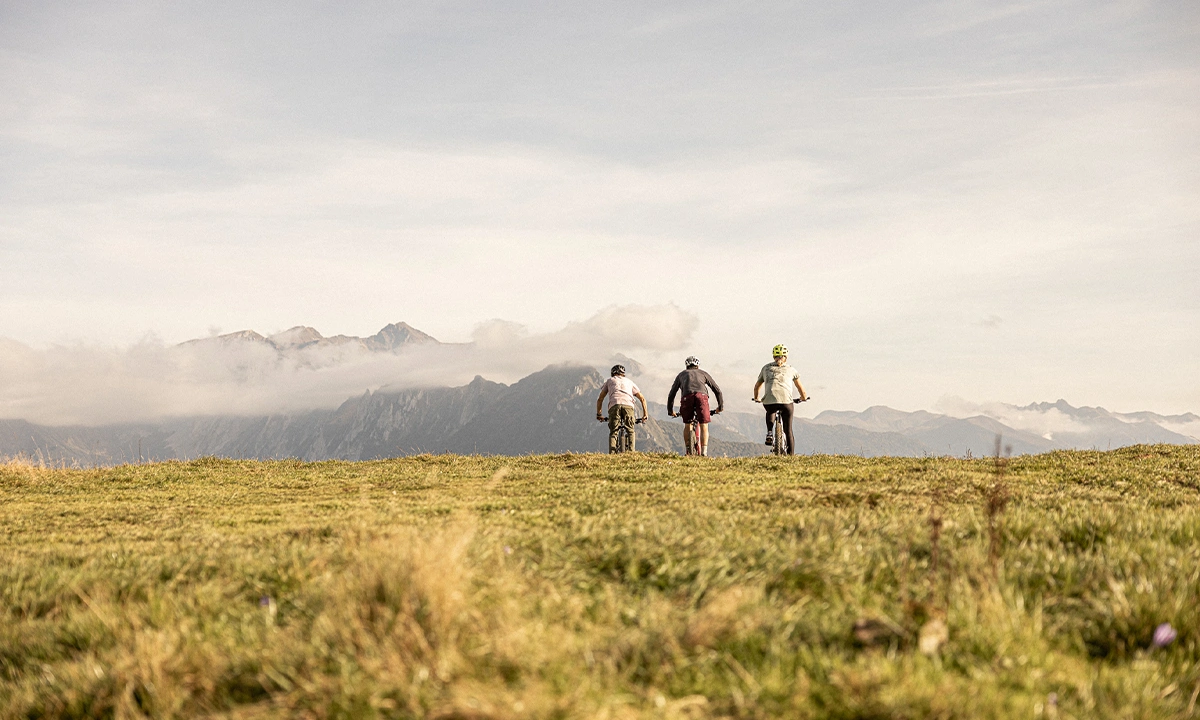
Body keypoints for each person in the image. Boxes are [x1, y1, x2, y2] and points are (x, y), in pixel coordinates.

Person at [752, 344, 808, 455]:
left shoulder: (766, 368)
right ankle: (791, 455)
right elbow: (800, 387)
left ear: (774, 356)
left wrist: (756, 398)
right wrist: (803, 397)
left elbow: (757, 386)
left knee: (770, 410)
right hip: (786, 401)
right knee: (788, 430)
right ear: (786, 357)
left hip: (769, 400)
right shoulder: (791, 370)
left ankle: (769, 432)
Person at [667, 356, 724, 456]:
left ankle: (689, 451)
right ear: (698, 365)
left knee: (687, 424)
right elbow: (717, 390)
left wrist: (670, 410)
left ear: (686, 366)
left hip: (687, 397)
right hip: (701, 397)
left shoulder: (681, 375)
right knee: (704, 424)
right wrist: (720, 406)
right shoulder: (703, 373)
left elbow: (672, 393)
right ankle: (704, 453)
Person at [596, 364, 649, 452]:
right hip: (628, 405)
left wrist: (599, 414)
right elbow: (642, 399)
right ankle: (631, 452)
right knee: (630, 430)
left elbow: (600, 398)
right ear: (623, 374)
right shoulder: (629, 382)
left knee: (614, 432)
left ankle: (612, 454)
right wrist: (645, 414)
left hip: (614, 405)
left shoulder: (610, 381)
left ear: (612, 373)